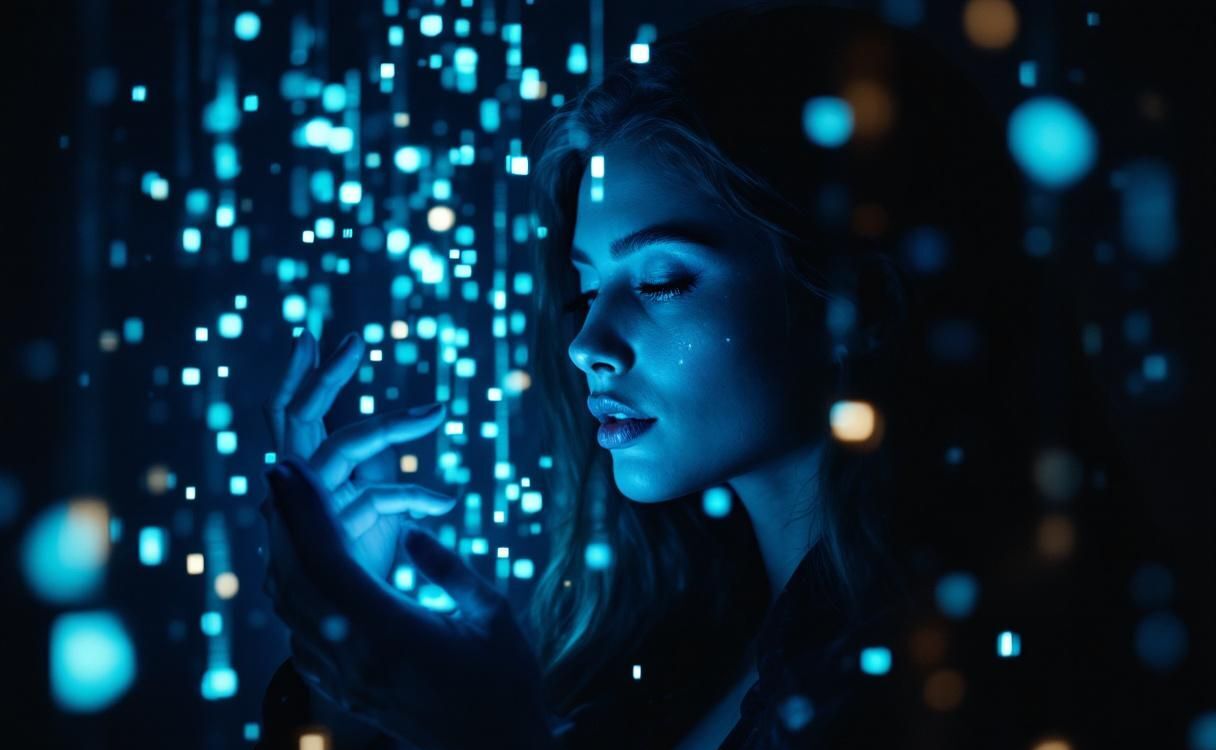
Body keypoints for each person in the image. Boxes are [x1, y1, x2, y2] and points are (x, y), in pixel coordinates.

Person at [257, 3, 1036, 748]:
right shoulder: (667, 657)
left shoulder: (961, 675)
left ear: (851, 302)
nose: (586, 343)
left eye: (661, 281)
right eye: (587, 289)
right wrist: (346, 669)